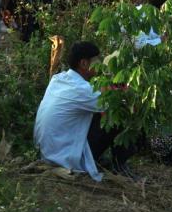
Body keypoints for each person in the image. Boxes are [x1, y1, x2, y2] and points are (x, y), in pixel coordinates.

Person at [34, 40, 125, 180]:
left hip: (49, 151)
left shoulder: (58, 78)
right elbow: (113, 103)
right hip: (64, 157)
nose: (100, 65)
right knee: (118, 115)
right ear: (84, 64)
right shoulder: (82, 90)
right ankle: (120, 166)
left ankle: (101, 158)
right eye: (97, 61)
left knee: (100, 113)